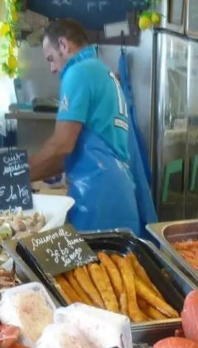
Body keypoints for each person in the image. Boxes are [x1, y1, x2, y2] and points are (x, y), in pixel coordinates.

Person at [32, 18, 156, 233]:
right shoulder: (101, 71)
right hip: (118, 193)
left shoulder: (78, 72)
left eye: (51, 58)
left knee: (96, 265)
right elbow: (75, 153)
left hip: (97, 196)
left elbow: (62, 145)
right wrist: (35, 173)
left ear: (63, 44)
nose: (52, 68)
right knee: (118, 265)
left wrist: (15, 177)